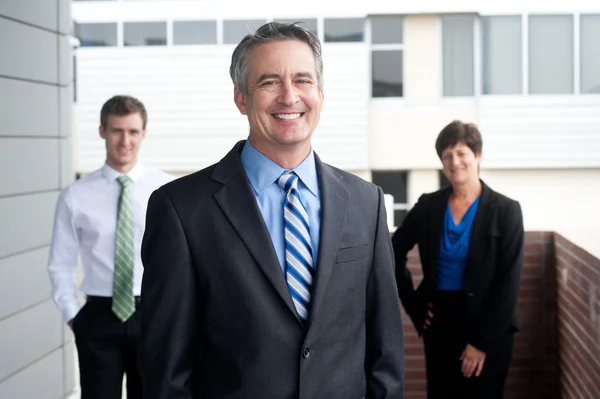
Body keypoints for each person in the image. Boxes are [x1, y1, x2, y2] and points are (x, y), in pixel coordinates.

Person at [139, 22, 405, 399]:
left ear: (321, 93)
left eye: (302, 80)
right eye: (268, 82)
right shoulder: (181, 210)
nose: (289, 96)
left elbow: (386, 354)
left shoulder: (367, 203)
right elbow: (166, 371)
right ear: (241, 98)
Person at [47, 95, 174, 399]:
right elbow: (60, 264)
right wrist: (73, 314)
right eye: (117, 130)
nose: (124, 141)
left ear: (144, 133)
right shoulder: (75, 196)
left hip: (153, 313)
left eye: (132, 132)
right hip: (99, 317)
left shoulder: (167, 191)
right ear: (102, 131)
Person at [392, 120, 524, 399]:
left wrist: (480, 343)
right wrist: (415, 303)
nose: (455, 162)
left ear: (478, 155)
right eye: (447, 155)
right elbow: (391, 251)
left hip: (490, 325)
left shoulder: (506, 211)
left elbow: (508, 284)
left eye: (462, 153)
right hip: (440, 321)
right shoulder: (429, 205)